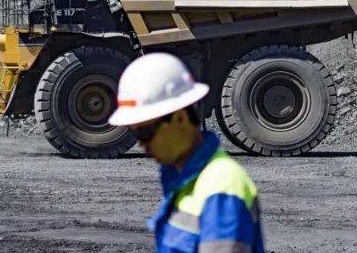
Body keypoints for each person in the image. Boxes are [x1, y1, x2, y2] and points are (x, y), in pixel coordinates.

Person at [108, 52, 266, 253]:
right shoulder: (185, 181)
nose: (142, 145)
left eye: (146, 133)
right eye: (136, 135)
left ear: (180, 119)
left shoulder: (222, 185)